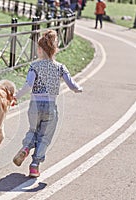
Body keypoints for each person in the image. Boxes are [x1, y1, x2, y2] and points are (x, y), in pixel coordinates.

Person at [12, 30, 83, 178]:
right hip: (50, 107)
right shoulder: (60, 67)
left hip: (35, 106)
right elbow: (71, 84)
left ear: (39, 49)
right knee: (44, 137)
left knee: (33, 130)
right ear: (54, 49)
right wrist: (78, 89)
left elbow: (28, 85)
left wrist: (16, 97)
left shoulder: (34, 66)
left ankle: (26, 147)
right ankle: (34, 165)